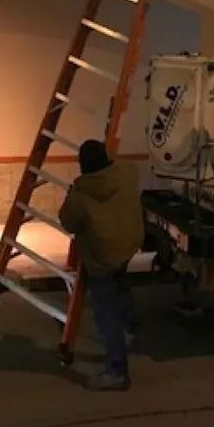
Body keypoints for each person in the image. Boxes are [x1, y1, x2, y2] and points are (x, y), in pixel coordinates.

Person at [58, 139, 144, 391]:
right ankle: (130, 330)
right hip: (127, 245)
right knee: (121, 287)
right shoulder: (127, 173)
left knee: (106, 313)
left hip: (103, 257)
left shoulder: (81, 194)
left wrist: (70, 196)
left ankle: (117, 371)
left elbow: (68, 222)